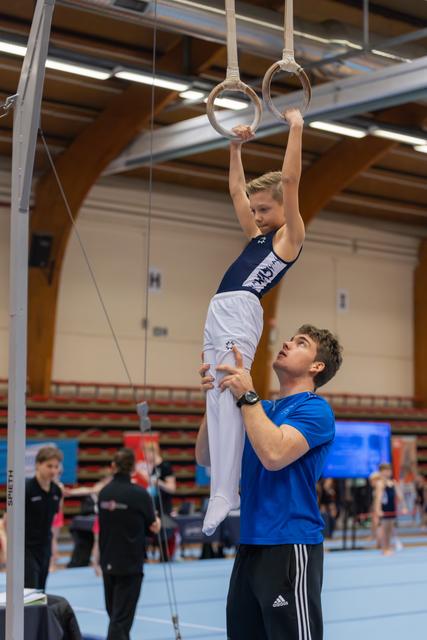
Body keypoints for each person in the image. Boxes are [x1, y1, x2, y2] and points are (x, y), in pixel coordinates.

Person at [196, 324, 343, 640]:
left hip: (290, 543)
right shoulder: (259, 410)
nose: (288, 343)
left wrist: (247, 396)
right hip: (250, 544)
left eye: (300, 343)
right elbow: (207, 456)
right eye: (290, 338)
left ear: (317, 366)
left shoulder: (315, 409)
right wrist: (216, 401)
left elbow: (274, 453)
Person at [203, 108, 305, 535]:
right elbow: (234, 191)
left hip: (241, 309)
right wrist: (234, 146)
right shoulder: (258, 236)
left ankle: (226, 491)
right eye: (256, 210)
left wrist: (295, 128)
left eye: (265, 209)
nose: (258, 216)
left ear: (283, 207)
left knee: (229, 387)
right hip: (217, 310)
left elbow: (291, 180)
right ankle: (221, 485)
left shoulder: (290, 238)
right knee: (213, 390)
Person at [98, 448, 161, 640]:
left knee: (115, 616)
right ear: (133, 468)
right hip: (130, 564)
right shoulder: (140, 495)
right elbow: (153, 526)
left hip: (107, 561)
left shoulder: (104, 493)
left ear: (112, 467)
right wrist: (156, 523)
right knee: (120, 619)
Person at [24, 446, 63, 590]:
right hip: (26, 549)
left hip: (44, 548)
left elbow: (53, 522)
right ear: (38, 465)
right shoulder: (26, 488)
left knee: (41, 590)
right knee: (30, 591)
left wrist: (54, 546)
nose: (53, 470)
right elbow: (9, 520)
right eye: (49, 466)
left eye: (56, 466)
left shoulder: (56, 491)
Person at [134, 439, 177, 561]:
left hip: (165, 506)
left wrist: (159, 483)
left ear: (153, 452)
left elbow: (172, 488)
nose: (145, 457)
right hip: (155, 505)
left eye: (146, 454)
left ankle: (166, 557)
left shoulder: (165, 466)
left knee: (165, 536)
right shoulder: (153, 468)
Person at [374, 462, 407, 556]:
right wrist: (378, 509)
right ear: (380, 472)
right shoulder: (380, 483)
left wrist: (404, 506)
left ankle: (388, 547)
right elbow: (378, 498)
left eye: (388, 471)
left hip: (392, 508)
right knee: (384, 530)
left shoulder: (393, 483)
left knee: (390, 529)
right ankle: (384, 549)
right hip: (384, 509)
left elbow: (400, 495)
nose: (387, 473)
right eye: (384, 471)